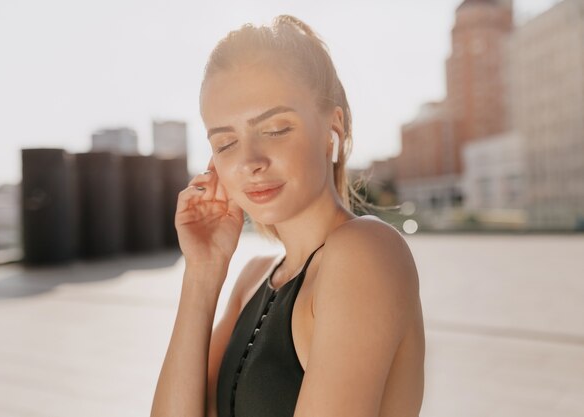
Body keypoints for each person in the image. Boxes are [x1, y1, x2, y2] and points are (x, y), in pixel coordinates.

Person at [150, 15, 425, 417]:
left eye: (276, 129)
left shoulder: (364, 252)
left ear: (332, 126)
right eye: (225, 143)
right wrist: (203, 272)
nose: (250, 162)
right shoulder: (253, 279)